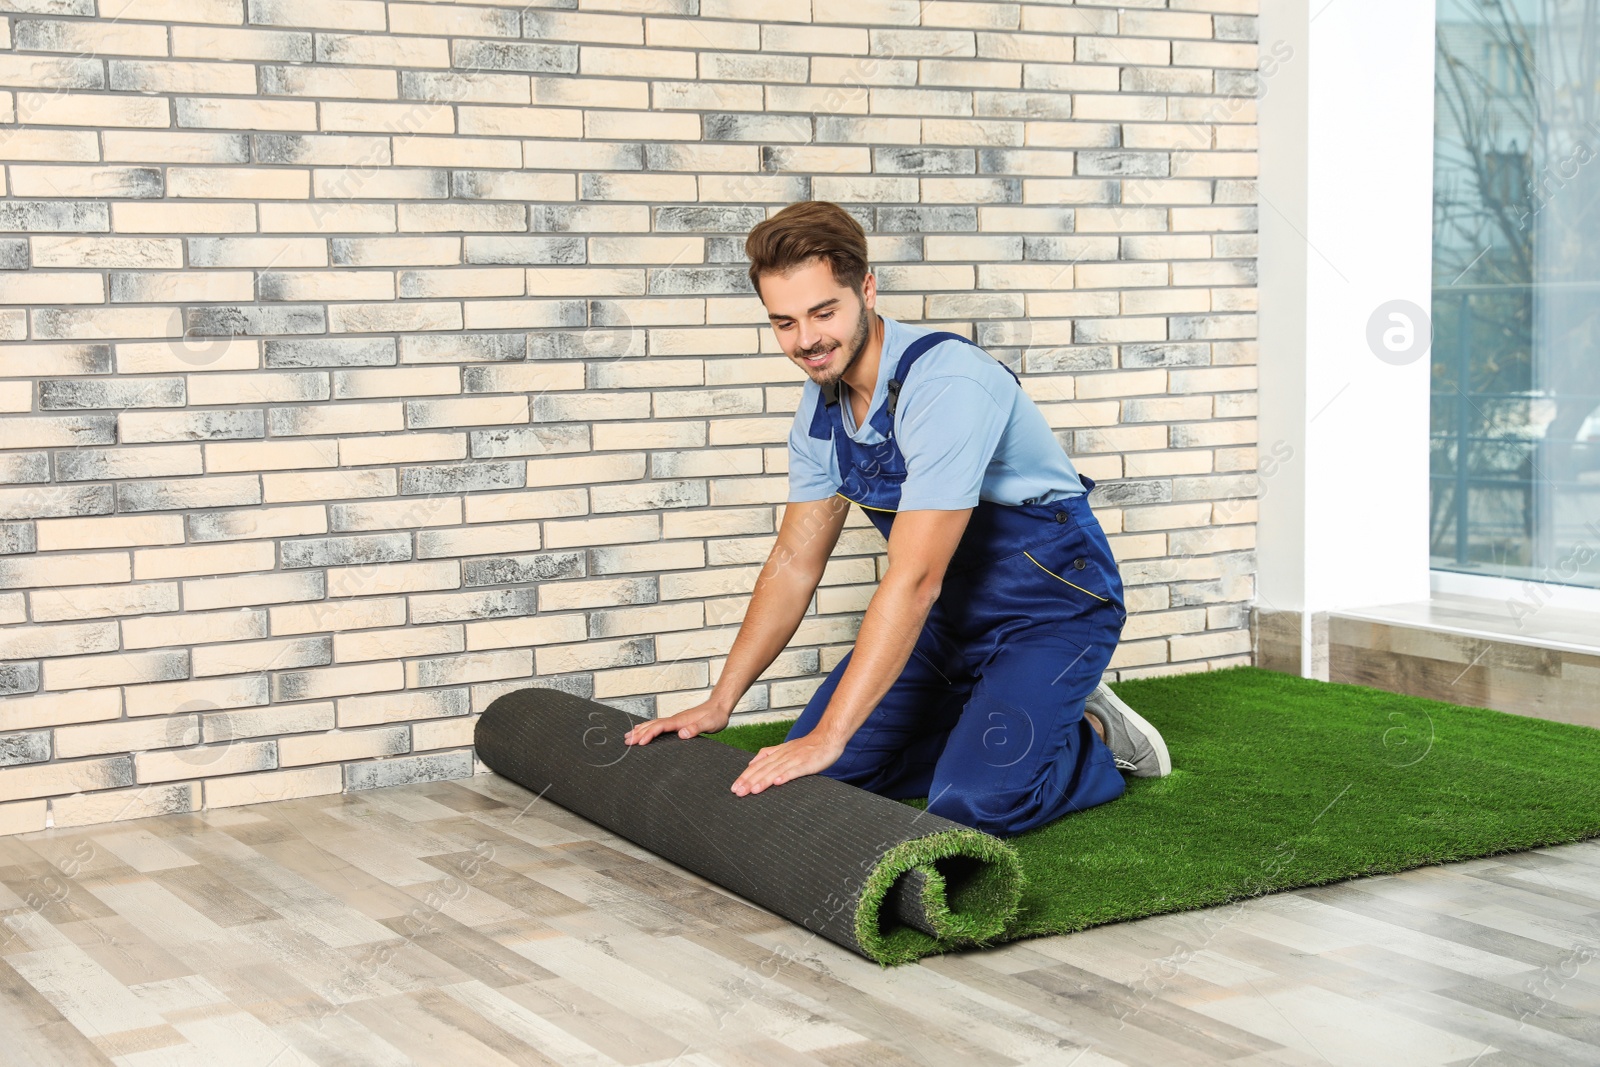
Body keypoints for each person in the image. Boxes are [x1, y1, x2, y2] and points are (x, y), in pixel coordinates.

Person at [624, 201, 1170, 837]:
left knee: (971, 803)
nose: (806, 341)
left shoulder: (946, 385)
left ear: (867, 290)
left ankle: (1093, 732)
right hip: (944, 621)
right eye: (784, 323)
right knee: (810, 777)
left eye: (823, 312)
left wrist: (831, 733)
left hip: (1049, 607)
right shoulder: (820, 410)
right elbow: (794, 564)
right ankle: (988, 712)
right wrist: (722, 701)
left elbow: (913, 580)